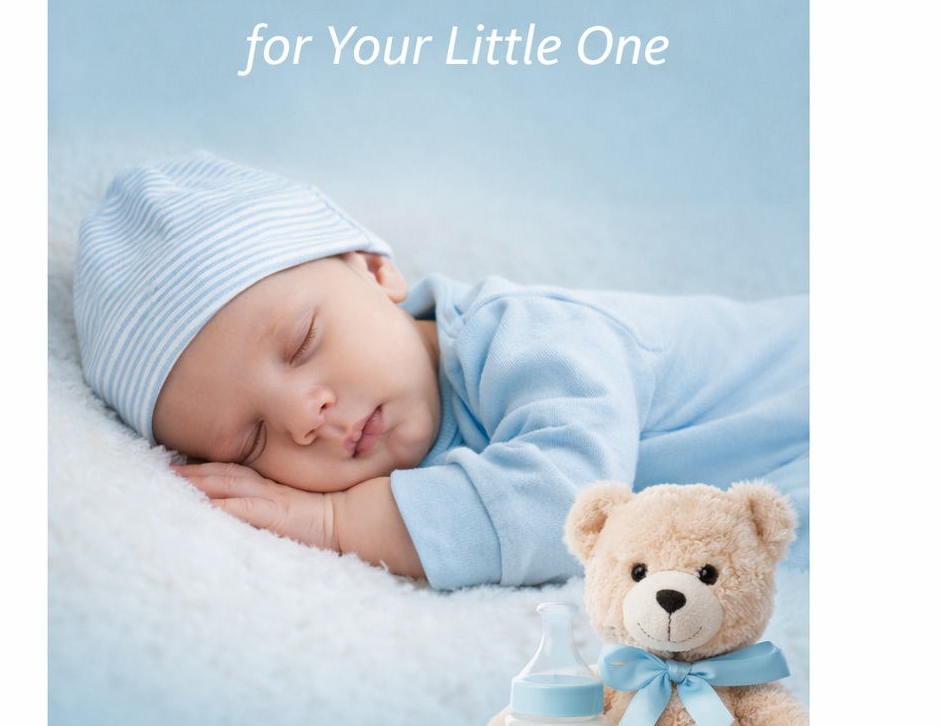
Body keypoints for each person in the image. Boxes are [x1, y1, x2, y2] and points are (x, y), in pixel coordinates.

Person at [74, 152, 809, 590]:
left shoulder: (530, 337)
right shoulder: (414, 452)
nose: (305, 415)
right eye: (252, 441)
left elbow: (572, 503)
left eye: (301, 343)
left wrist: (334, 522)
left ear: (373, 269)